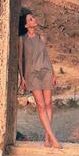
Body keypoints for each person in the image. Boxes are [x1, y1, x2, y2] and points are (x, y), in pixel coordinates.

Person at [18, 11, 62, 149]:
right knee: (41, 106)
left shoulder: (42, 38)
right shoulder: (22, 39)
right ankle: (53, 138)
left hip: (46, 71)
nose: (34, 19)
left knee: (49, 104)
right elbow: (20, 59)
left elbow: (47, 57)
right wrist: (22, 77)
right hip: (32, 75)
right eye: (31, 19)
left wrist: (54, 73)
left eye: (33, 17)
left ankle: (47, 137)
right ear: (26, 25)